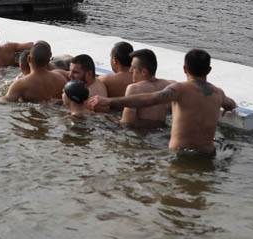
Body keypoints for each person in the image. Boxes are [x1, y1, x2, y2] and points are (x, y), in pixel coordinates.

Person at [88, 49, 237, 158]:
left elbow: (148, 99)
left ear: (184, 68)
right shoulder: (218, 93)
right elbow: (230, 104)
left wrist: (109, 100)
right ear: (209, 70)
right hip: (208, 155)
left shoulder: (179, 89)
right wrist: (229, 107)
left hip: (180, 155)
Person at [118, 49, 174, 128]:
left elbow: (127, 123)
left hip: (141, 134)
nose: (130, 71)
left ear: (144, 72)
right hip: (161, 130)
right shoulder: (168, 85)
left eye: (133, 67)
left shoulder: (134, 89)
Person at [0, 41, 67, 102]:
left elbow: (4, 101)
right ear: (49, 58)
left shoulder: (21, 84)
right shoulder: (61, 78)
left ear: (29, 58)